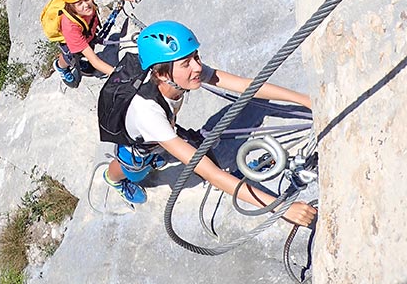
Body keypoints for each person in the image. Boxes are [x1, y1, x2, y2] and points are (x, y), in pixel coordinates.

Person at [101, 21, 317, 227]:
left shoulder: (176, 73)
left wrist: (306, 100)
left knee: (164, 149)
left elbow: (245, 86)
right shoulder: (147, 112)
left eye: (195, 57)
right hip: (139, 145)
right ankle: (112, 179)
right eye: (186, 63)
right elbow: (212, 174)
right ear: (160, 74)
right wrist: (281, 207)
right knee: (136, 170)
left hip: (163, 128)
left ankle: (154, 155)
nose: (197, 67)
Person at [54, 0, 135, 87]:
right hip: (72, 40)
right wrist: (118, 74)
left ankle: (80, 61)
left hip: (87, 32)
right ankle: (60, 66)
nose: (86, 5)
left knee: (89, 47)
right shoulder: (70, 27)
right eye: (79, 4)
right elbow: (95, 60)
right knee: (69, 57)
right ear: (71, 7)